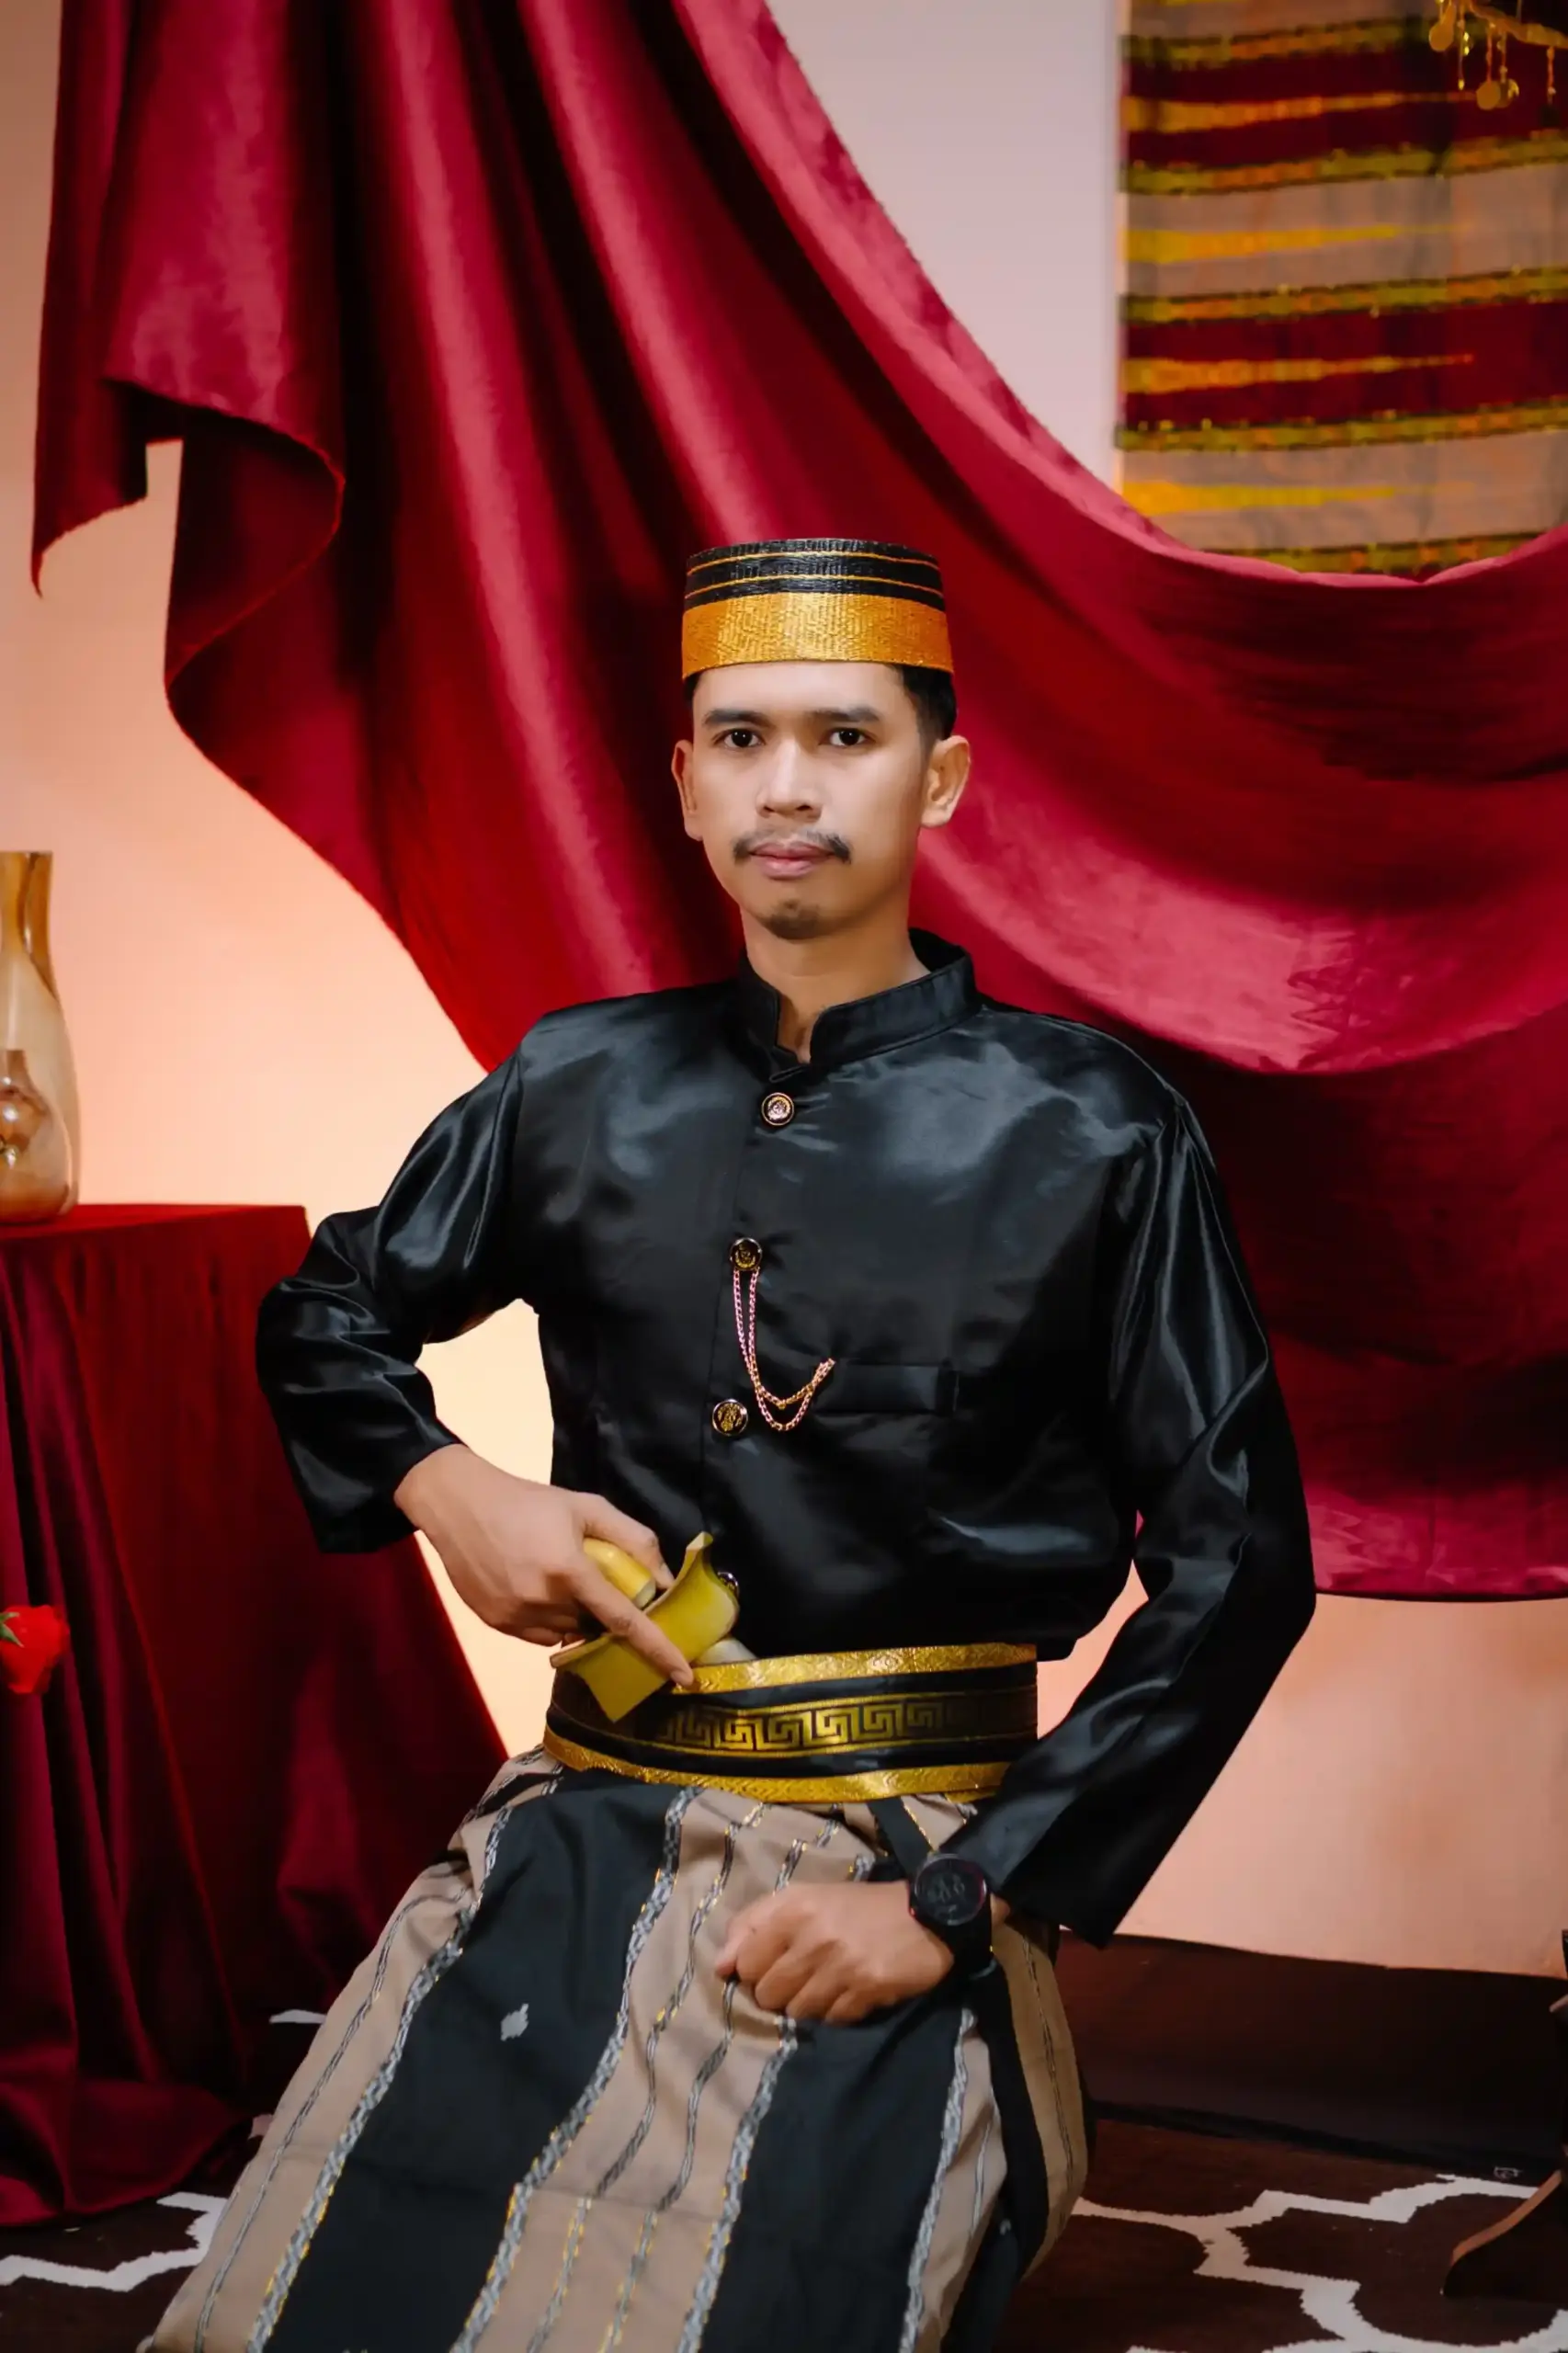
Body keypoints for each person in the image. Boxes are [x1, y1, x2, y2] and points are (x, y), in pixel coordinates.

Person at [155, 538, 1315, 2353]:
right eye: (741, 737)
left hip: (900, 1851)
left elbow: (1239, 1565)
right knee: (294, 2313)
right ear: (684, 781)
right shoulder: (576, 1083)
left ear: (939, 776)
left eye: (845, 736)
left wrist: (959, 1903)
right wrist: (456, 1491)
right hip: (578, 1813)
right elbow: (325, 1313)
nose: (788, 786)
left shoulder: (1093, 1126)